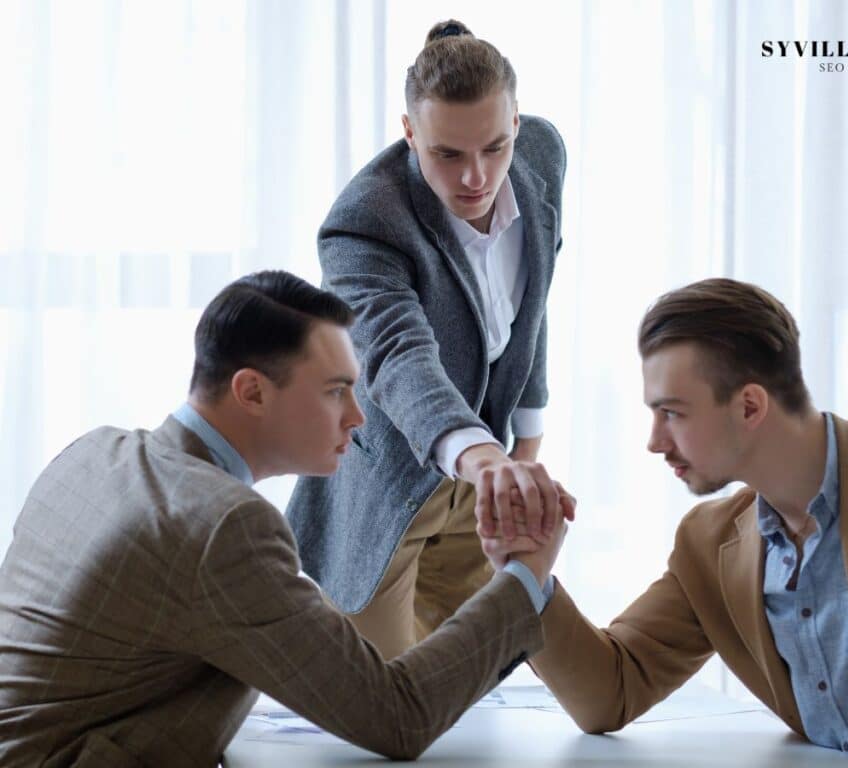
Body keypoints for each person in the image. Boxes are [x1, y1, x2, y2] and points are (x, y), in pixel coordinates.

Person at [0, 271, 568, 767]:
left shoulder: (92, 453)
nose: (358, 417)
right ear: (251, 391)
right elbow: (397, 716)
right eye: (336, 392)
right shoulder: (222, 525)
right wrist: (524, 575)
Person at [483, 278, 848, 767]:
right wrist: (529, 575)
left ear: (749, 406)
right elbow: (611, 691)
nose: (654, 441)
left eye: (672, 412)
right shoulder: (709, 544)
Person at [286, 19, 571, 659]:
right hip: (387, 482)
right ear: (410, 133)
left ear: (517, 123)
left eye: (494, 147)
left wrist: (524, 444)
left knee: (475, 674)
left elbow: (535, 298)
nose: (476, 177)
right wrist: (482, 457)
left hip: (483, 477)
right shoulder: (364, 222)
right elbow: (396, 355)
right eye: (448, 155)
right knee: (375, 694)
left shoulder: (543, 156)